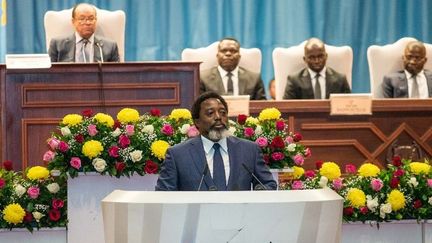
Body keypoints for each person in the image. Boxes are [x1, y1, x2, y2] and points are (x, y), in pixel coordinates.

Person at [155, 91, 277, 191]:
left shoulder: (249, 150)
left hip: (239, 219)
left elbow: (268, 185)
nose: (218, 117)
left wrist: (260, 191)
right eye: (210, 113)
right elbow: (164, 195)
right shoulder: (178, 155)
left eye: (223, 113)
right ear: (197, 122)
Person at [48, 3, 120, 62]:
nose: (87, 22)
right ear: (73, 22)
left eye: (91, 19)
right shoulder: (57, 44)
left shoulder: (110, 46)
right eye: (82, 19)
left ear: (96, 20)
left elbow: (116, 75)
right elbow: (49, 74)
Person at [283, 38, 351, 99]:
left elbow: (348, 107)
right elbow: (287, 108)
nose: (317, 61)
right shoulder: (294, 80)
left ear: (326, 56)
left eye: (320, 56)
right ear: (305, 59)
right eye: (312, 57)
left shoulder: (340, 80)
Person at [200, 38, 266, 100]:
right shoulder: (203, 78)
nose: (228, 54)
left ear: (239, 56)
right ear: (217, 55)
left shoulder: (254, 78)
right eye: (224, 51)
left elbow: (261, 105)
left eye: (233, 51)